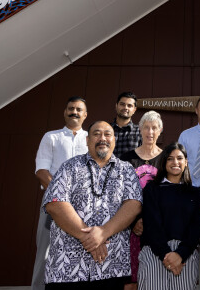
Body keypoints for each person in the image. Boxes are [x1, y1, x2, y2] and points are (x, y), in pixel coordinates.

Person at [42, 121, 142, 289]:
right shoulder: (69, 166)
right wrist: (88, 237)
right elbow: (55, 203)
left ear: (114, 140)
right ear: (87, 140)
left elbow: (134, 205)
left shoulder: (127, 170)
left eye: (108, 134)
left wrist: (103, 233)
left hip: (111, 267)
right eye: (96, 134)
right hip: (66, 269)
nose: (102, 138)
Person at [32, 96, 89, 290]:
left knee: (81, 252)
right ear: (65, 112)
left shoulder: (91, 139)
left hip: (83, 206)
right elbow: (41, 171)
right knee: (45, 252)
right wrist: (61, 197)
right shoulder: (51, 137)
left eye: (79, 109)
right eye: (71, 108)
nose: (74, 112)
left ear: (85, 114)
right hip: (53, 204)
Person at [138, 142, 200, 290]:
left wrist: (180, 254)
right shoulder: (152, 189)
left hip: (185, 255)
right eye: (170, 159)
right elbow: (152, 224)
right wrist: (166, 254)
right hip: (154, 251)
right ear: (164, 162)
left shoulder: (195, 194)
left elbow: (195, 227)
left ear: (186, 162)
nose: (175, 162)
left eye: (179, 158)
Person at [120, 111, 165, 289]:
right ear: (140, 129)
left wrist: (147, 220)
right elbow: (120, 193)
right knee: (130, 280)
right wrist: (133, 221)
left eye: (154, 128)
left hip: (157, 227)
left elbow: (167, 194)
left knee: (153, 279)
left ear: (160, 131)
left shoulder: (166, 159)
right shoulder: (126, 159)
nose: (150, 132)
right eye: (146, 127)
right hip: (128, 227)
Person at [112, 92, 143, 158]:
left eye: (129, 106)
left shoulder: (140, 131)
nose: (125, 107)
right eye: (122, 104)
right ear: (116, 106)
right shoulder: (106, 130)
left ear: (134, 110)